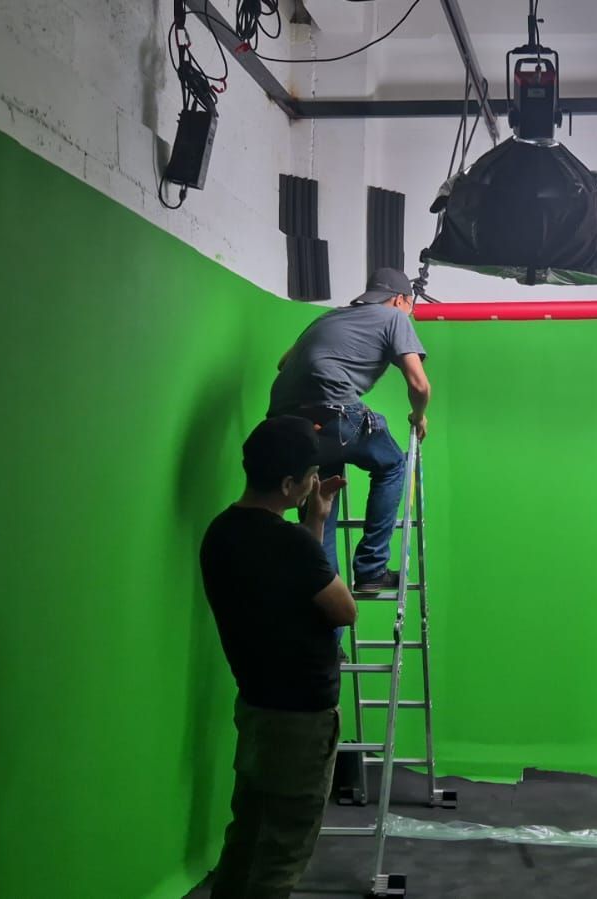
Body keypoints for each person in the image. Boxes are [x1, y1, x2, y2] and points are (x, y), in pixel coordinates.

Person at [199, 415, 358, 897]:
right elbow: (344, 610)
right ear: (289, 483)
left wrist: (315, 520)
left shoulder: (220, 533)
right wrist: (309, 533)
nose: (314, 483)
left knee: (246, 840)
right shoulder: (288, 545)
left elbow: (290, 582)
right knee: (281, 857)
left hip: (256, 711)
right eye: (309, 478)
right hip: (300, 726)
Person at [268, 267, 431, 595]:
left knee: (320, 513)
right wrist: (419, 415)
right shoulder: (395, 318)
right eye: (410, 305)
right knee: (392, 464)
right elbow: (419, 383)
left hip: (287, 427)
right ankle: (372, 568)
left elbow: (284, 364)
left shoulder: (328, 318)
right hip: (333, 413)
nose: (409, 313)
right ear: (399, 299)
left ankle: (331, 646)